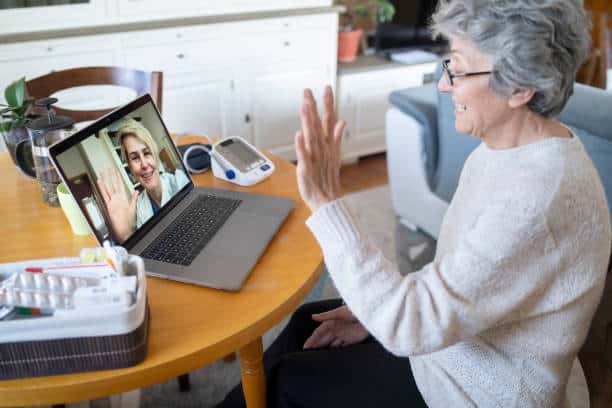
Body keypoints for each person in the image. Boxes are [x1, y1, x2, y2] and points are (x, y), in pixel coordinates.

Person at [219, 0, 612, 407]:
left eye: (457, 69)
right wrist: (375, 312)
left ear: (519, 88)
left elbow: (411, 326)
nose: (444, 85)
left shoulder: (536, 199)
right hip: (457, 345)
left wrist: (326, 202)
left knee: (286, 382)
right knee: (307, 324)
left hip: (477, 391)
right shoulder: (506, 148)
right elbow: (463, 275)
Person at [97, 118, 189, 242]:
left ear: (155, 156)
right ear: (130, 167)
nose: (144, 164)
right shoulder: (139, 207)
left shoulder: (180, 181)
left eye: (146, 153)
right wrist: (126, 235)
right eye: (135, 158)